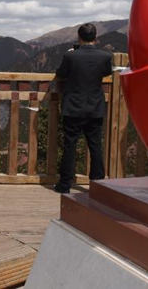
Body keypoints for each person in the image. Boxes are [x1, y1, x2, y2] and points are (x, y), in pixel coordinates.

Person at [54, 23, 112, 193]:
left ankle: (65, 184)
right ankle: (98, 184)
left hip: (73, 106)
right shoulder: (105, 56)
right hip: (95, 106)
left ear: (79, 37)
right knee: (95, 145)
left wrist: (72, 53)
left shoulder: (71, 56)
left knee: (70, 145)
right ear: (95, 37)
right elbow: (106, 73)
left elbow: (61, 73)